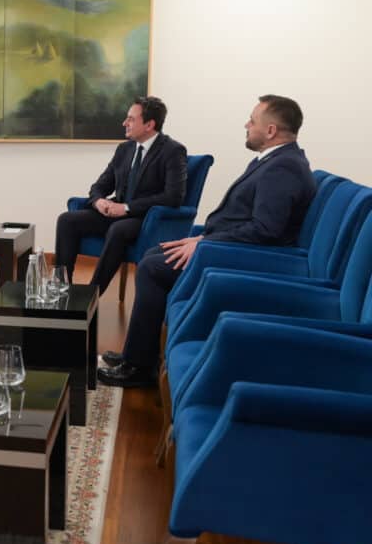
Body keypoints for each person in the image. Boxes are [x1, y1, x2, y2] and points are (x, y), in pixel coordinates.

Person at [98, 95, 317, 387]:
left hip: (245, 258)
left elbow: (265, 229)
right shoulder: (277, 160)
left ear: (271, 130)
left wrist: (204, 243)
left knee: (152, 268)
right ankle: (138, 355)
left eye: (252, 121)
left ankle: (139, 368)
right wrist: (202, 237)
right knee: (153, 254)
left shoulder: (283, 167)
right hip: (225, 245)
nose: (246, 125)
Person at [54, 96, 187, 294]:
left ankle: (92, 294)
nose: (125, 123)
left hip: (146, 219)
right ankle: (60, 288)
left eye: (131, 119)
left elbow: (173, 197)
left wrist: (126, 208)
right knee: (66, 220)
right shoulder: (124, 149)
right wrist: (99, 201)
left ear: (149, 124)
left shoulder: (173, 151)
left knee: (118, 229)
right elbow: (100, 185)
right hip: (115, 213)